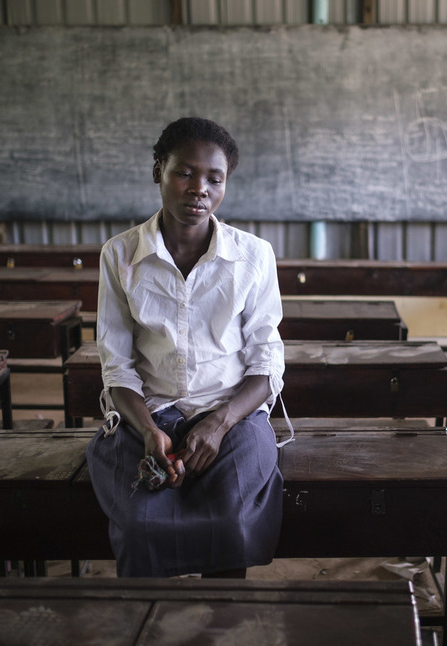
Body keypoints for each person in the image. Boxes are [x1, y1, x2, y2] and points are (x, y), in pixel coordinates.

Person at [86, 117, 286, 579]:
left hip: (232, 415)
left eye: (214, 179)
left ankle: (221, 621)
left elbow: (266, 362)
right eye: (184, 173)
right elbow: (116, 367)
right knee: (140, 524)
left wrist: (219, 422)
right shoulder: (120, 255)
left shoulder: (253, 256)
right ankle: (153, 622)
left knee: (232, 521)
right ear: (159, 169)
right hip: (149, 416)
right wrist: (150, 429)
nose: (199, 188)